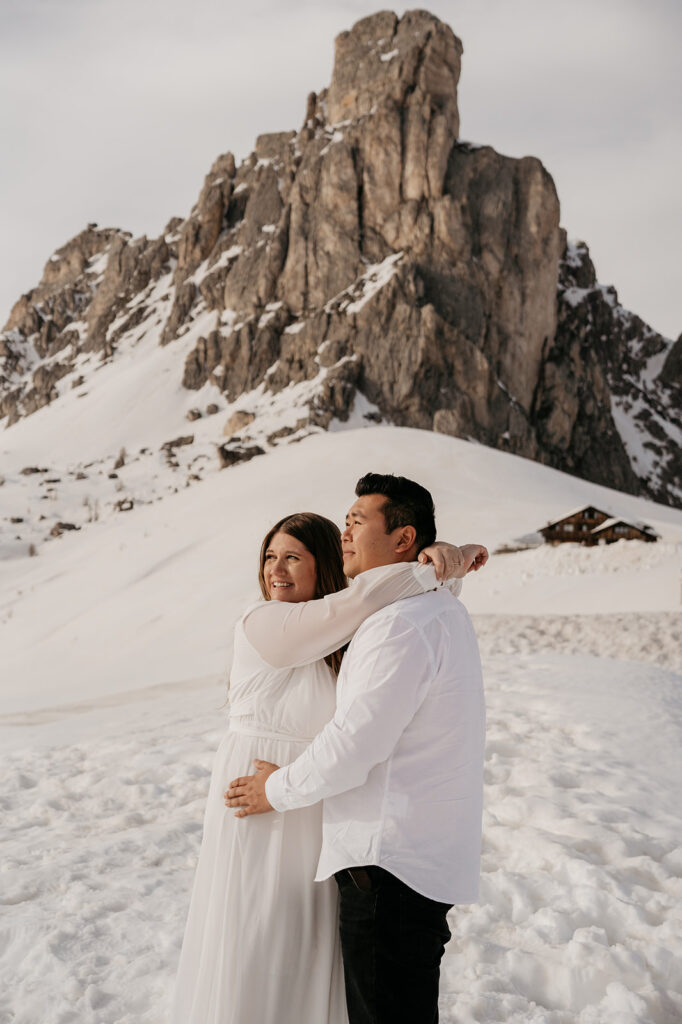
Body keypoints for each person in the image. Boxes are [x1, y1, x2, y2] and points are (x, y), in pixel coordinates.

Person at [170, 504, 487, 1024]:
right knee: (259, 938)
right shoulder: (265, 621)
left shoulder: (343, 633)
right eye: (270, 556)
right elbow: (367, 597)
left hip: (310, 800)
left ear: (324, 565)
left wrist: (444, 567)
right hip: (260, 796)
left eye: (292, 557)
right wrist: (437, 563)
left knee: (311, 946)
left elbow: (394, 615)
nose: (276, 569)